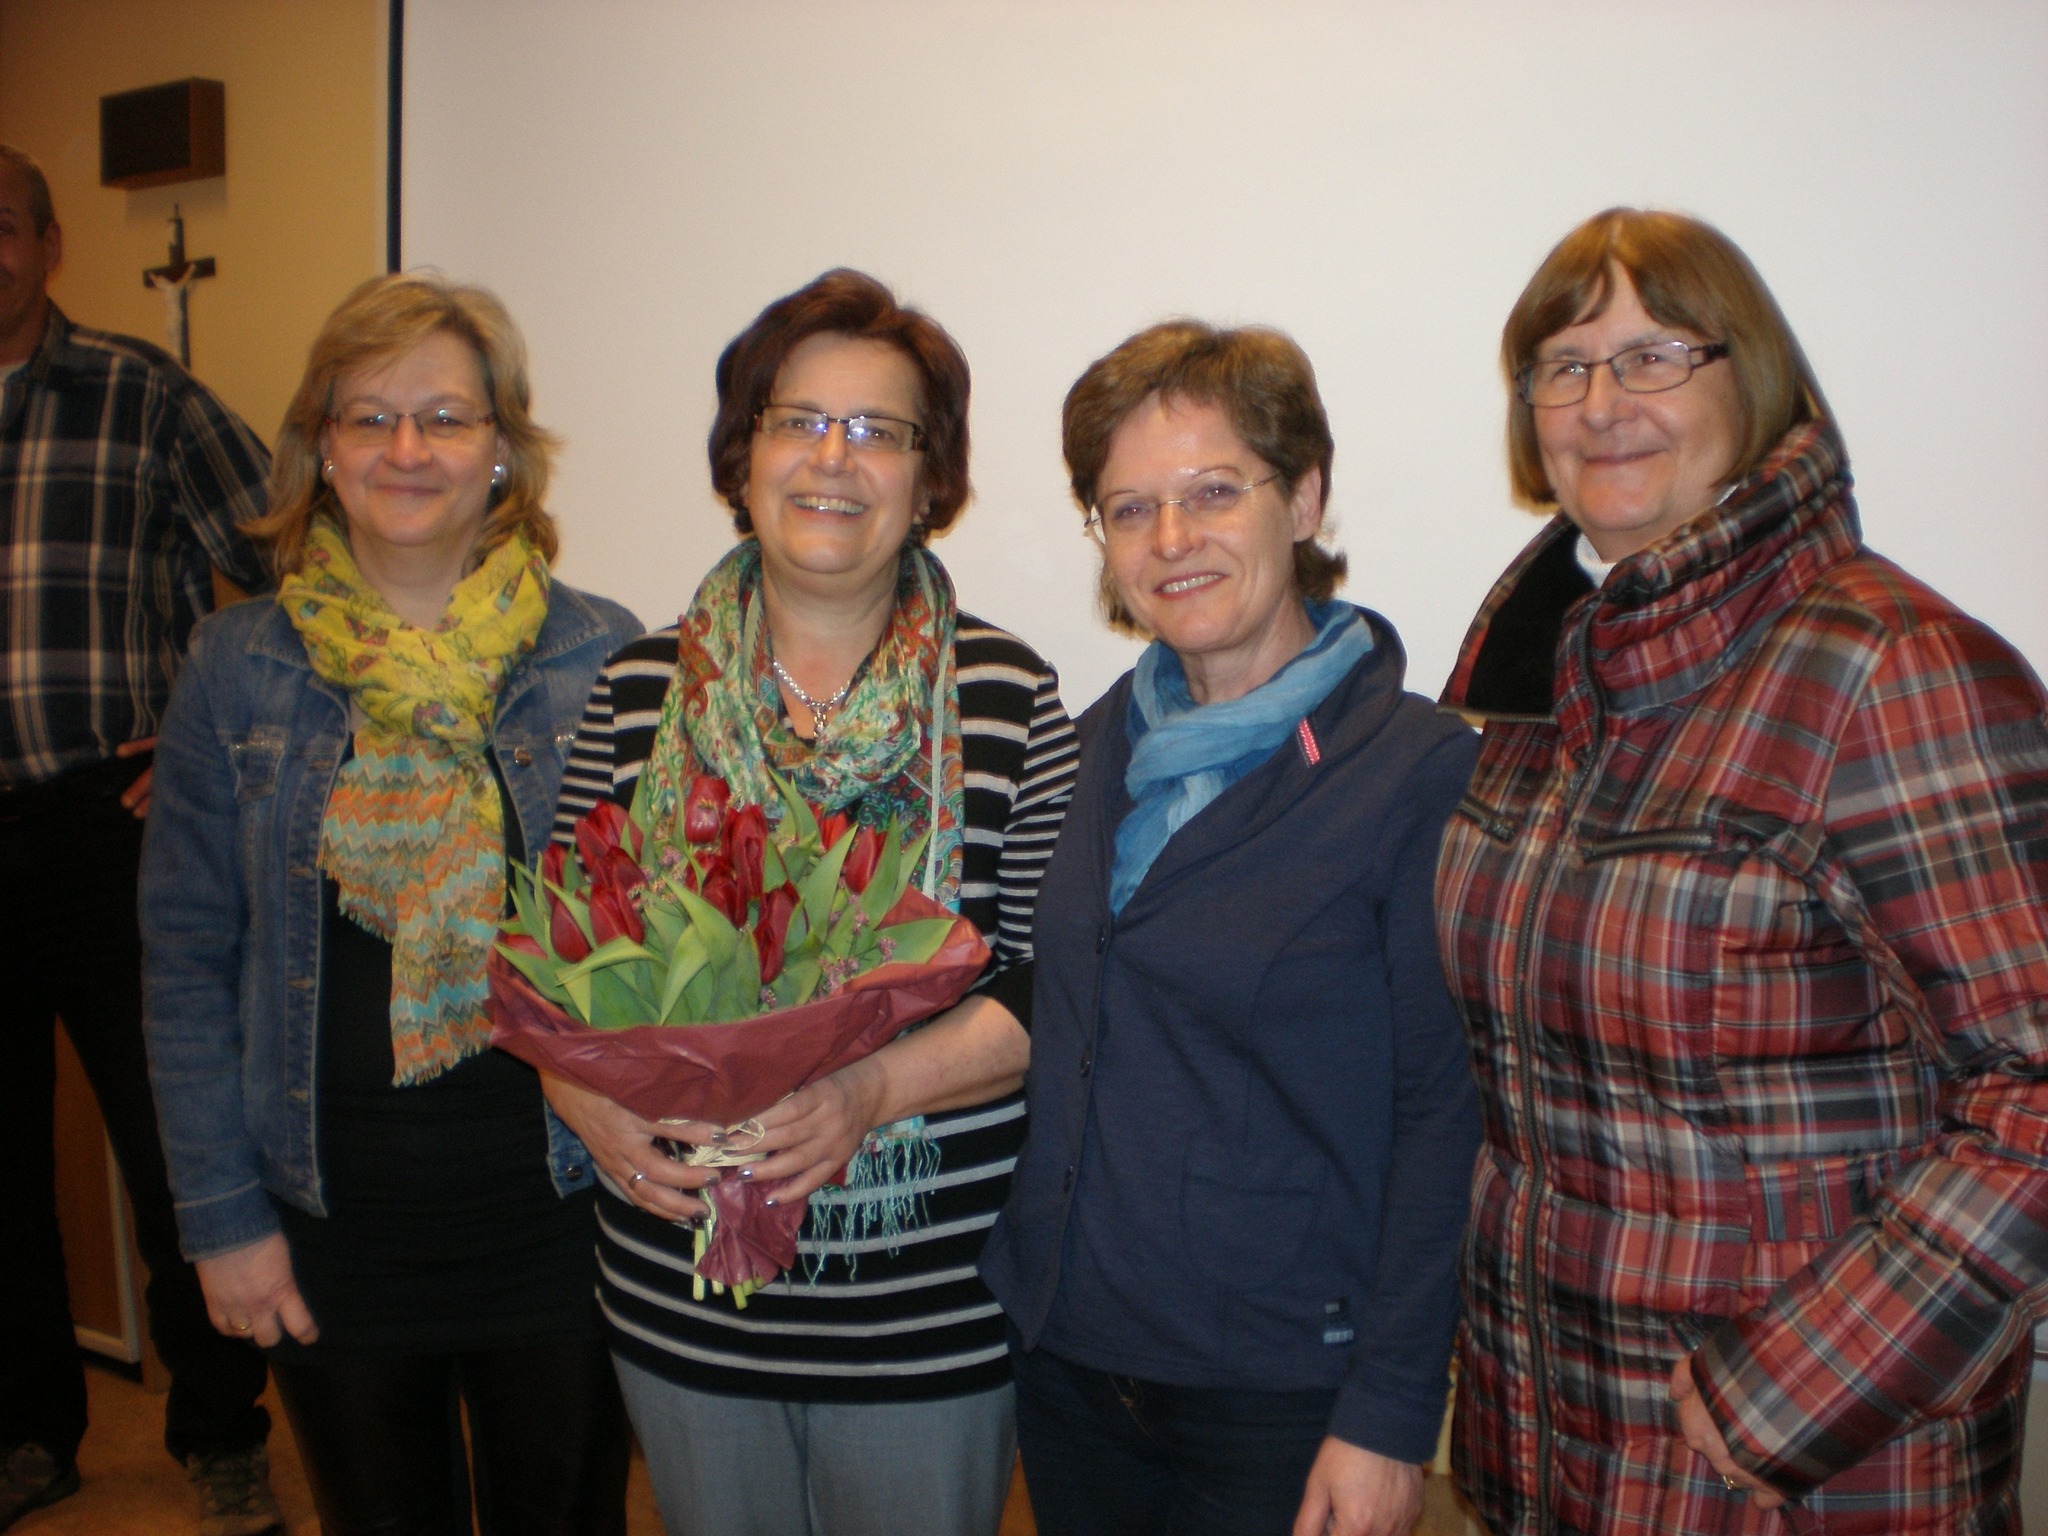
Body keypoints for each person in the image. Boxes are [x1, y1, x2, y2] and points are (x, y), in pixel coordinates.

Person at [1436, 206, 2048, 1534]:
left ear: (1754, 378)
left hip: (1808, 1471)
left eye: (1656, 356)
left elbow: (2037, 1094)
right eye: (1564, 363)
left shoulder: (1889, 667)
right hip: (1550, 1441)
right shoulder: (1538, 683)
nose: (1603, 402)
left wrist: (1787, 1396)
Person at [543, 267, 1078, 1536]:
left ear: (927, 477)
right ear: (743, 455)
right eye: (800, 421)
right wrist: (580, 1098)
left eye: (878, 432)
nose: (834, 461)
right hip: (680, 1290)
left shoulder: (1006, 695)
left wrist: (866, 1094)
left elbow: (1055, 986)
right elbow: (557, 961)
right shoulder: (634, 686)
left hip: (923, 1304)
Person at [139, 272, 642, 1536]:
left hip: (559, 1214)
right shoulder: (235, 667)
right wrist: (220, 1225)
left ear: (503, 450)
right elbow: (187, 963)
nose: (407, 449)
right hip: (328, 1224)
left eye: (446, 417)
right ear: (319, 447)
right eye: (368, 417)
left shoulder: (608, 655)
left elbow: (643, 944)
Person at [980, 320, 1482, 1536]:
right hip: (1068, 1359)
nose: (1170, 541)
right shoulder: (1092, 743)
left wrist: (1387, 1414)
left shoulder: (1415, 771)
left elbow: (1441, 1111)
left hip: (1283, 1393)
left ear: (1302, 496)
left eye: (1212, 493)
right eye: (1128, 507)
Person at [0, 143, 281, 1536]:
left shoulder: (139, 390)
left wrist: (200, 733)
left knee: (179, 1143)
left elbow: (295, 552)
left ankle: (221, 1430)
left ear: (49, 242)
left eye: (0, 227)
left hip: (100, 827)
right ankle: (30, 1432)